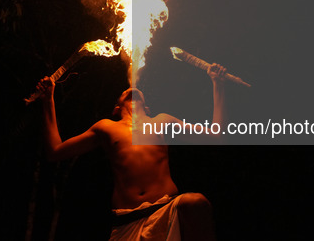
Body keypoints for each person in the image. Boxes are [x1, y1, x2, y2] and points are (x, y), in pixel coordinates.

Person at [35, 63, 228, 240]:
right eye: (124, 92)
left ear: (147, 107)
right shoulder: (106, 127)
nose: (131, 89)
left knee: (195, 202)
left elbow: (216, 136)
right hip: (126, 220)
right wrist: (48, 99)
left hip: (166, 210)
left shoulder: (161, 121)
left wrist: (217, 84)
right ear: (116, 109)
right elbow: (55, 151)